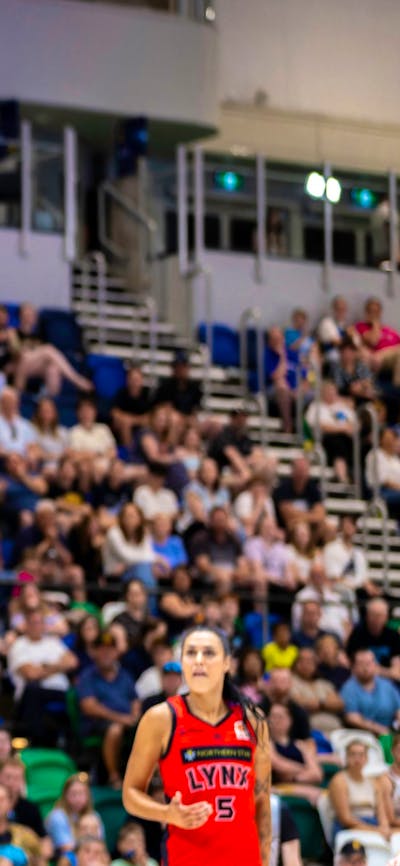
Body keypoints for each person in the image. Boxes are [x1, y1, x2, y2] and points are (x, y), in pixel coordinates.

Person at [122, 625, 271, 866]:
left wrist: (264, 860)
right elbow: (130, 794)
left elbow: (262, 803)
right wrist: (167, 813)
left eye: (209, 653)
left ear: (226, 663)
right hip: (187, 858)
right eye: (190, 653)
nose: (198, 660)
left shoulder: (253, 720)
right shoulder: (160, 718)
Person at [75, 630, 140, 788]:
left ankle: (147, 777)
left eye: (110, 650)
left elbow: (135, 699)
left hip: (127, 721)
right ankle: (114, 777)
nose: (106, 654)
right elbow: (89, 707)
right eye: (102, 650)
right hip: (97, 724)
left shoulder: (125, 675)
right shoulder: (87, 676)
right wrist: (121, 718)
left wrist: (135, 716)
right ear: (95, 652)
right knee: (115, 730)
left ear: (116, 652)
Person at [7, 608, 78, 745]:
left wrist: (43, 667)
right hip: (30, 696)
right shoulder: (19, 645)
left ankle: (75, 743)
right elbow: (31, 674)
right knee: (33, 690)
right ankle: (38, 742)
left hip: (60, 692)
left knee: (80, 693)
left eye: (40, 622)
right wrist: (58, 666)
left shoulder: (53, 642)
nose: (37, 626)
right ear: (26, 625)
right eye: (33, 622)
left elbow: (73, 661)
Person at [10, 303, 92, 396]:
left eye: (32, 314)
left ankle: (50, 402)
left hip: (34, 367)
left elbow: (40, 356)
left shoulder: (39, 335)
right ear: (21, 316)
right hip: (17, 365)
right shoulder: (13, 332)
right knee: (46, 350)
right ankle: (77, 380)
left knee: (53, 368)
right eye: (27, 314)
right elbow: (15, 352)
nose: (30, 317)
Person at [328, 739, 390, 837]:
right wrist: (374, 831)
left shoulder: (373, 783)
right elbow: (345, 819)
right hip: (349, 828)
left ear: (366, 758)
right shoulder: (339, 781)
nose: (357, 758)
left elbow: (382, 815)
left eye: (361, 755)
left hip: (373, 824)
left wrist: (384, 828)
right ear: (346, 757)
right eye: (353, 754)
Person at [268, 702, 322, 805]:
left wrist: (295, 777)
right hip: (277, 787)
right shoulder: (266, 744)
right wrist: (306, 770)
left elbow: (317, 774)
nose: (275, 721)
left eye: (280, 717)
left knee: (323, 795)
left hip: (299, 784)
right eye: (272, 716)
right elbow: (278, 765)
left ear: (289, 720)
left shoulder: (301, 745)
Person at [0, 757, 53, 862]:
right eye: (8, 777)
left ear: (23, 781)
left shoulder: (30, 809)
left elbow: (45, 844)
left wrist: (34, 858)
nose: (11, 783)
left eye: (16, 778)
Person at [305, 380, 357, 483]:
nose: (331, 394)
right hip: (324, 440)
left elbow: (354, 424)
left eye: (333, 392)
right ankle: (342, 476)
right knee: (338, 441)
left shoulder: (342, 407)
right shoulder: (316, 407)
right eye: (328, 392)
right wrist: (341, 428)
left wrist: (345, 428)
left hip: (346, 439)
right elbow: (319, 425)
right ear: (322, 393)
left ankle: (350, 474)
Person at [341, 648, 400, 734]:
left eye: (369, 663)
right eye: (361, 664)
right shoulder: (348, 688)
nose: (365, 668)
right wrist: (379, 729)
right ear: (353, 667)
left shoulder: (387, 685)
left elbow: (398, 708)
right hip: (362, 734)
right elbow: (352, 718)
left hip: (392, 731)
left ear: (375, 665)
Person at [289, 647, 344, 734]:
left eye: (310, 661)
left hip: (337, 729)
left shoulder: (324, 684)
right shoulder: (291, 682)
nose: (306, 665)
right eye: (303, 661)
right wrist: (326, 703)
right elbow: (300, 703)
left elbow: (339, 704)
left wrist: (320, 704)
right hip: (311, 730)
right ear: (296, 664)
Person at [45, 775, 104, 855]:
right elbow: (67, 848)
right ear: (65, 795)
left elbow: (102, 844)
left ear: (88, 795)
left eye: (81, 793)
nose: (77, 798)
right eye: (73, 794)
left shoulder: (94, 815)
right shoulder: (57, 816)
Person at [346, 597, 400, 680]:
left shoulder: (393, 636)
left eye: (380, 615)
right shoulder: (357, 634)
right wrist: (385, 671)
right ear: (367, 616)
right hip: (361, 679)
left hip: (388, 681)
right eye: (373, 615)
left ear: (386, 618)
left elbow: (397, 673)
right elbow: (351, 665)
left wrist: (379, 671)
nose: (377, 619)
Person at [274, 456, 325, 532]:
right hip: (287, 528)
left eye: (304, 470)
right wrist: (311, 516)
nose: (302, 474)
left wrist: (300, 518)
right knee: (297, 527)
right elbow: (287, 514)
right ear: (293, 471)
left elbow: (320, 515)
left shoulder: (313, 488)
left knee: (326, 527)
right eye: (299, 470)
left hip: (307, 525)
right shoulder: (283, 488)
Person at [111, 365, 152, 447]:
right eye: (132, 379)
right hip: (125, 427)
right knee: (124, 424)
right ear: (127, 380)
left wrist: (132, 420)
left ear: (141, 380)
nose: (134, 382)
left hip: (143, 427)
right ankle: (129, 452)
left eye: (137, 379)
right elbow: (114, 412)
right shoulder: (121, 393)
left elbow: (151, 417)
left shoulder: (148, 394)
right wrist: (127, 420)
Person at [153, 350, 203, 417]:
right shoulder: (165, 386)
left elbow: (195, 411)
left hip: (188, 422)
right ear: (173, 368)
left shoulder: (195, 388)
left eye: (183, 367)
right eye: (177, 367)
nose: (180, 370)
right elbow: (159, 408)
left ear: (187, 368)